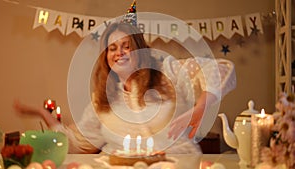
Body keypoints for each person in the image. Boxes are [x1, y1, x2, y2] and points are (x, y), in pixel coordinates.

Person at [14, 22, 236, 154]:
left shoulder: (168, 72)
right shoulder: (103, 100)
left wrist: (199, 109)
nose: (118, 52)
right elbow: (78, 144)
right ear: (106, 58)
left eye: (125, 46)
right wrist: (43, 114)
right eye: (112, 48)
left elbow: (220, 69)